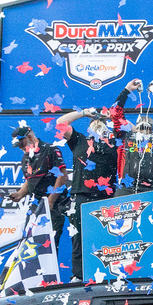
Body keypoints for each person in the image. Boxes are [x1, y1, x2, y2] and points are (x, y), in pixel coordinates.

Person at [56, 84, 127, 282]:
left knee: (107, 238)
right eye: (95, 124)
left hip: (107, 198)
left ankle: (106, 275)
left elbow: (125, 127)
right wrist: (84, 113)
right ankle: (78, 276)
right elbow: (60, 123)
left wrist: (109, 119)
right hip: (81, 196)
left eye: (102, 125)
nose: (99, 126)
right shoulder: (79, 140)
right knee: (78, 238)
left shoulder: (115, 143)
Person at [8, 125, 70, 253]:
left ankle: (47, 273)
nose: (20, 147)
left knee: (48, 246)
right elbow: (30, 180)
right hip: (36, 205)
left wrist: (51, 200)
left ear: (29, 137)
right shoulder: (26, 158)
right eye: (18, 145)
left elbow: (63, 176)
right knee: (29, 245)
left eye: (21, 143)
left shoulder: (50, 150)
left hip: (54, 205)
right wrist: (20, 194)